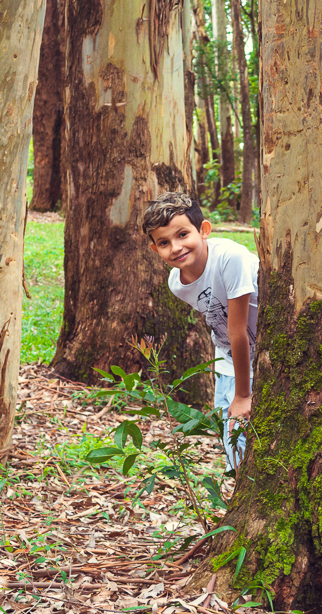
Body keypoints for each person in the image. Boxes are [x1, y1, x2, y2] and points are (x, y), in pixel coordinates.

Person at [142, 192, 258, 469]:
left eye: (183, 234)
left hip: (262, 355)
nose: (175, 247)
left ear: (203, 230)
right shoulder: (176, 283)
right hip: (231, 362)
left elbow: (237, 330)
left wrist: (243, 395)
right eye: (164, 242)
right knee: (232, 440)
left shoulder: (230, 257)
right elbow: (219, 321)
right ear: (155, 249)